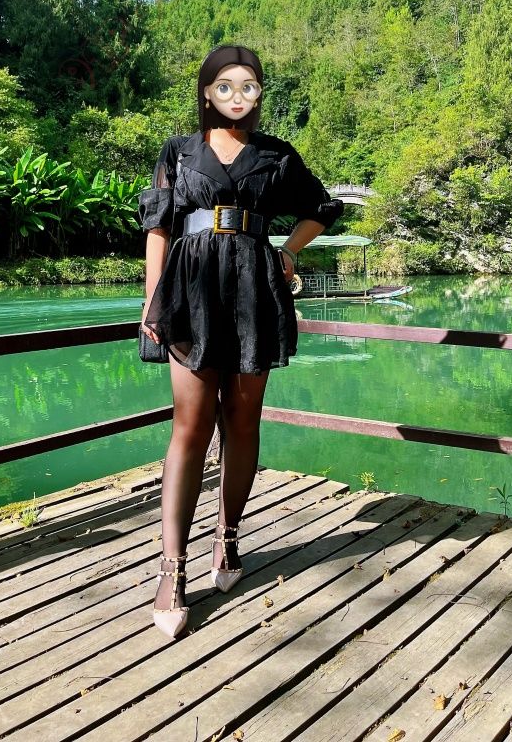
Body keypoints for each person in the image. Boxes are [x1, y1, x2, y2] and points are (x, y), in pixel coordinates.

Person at [138, 44, 343, 639]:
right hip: (191, 289)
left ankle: (227, 540)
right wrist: (152, 299)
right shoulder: (179, 151)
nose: (237, 95)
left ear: (258, 93)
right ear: (207, 91)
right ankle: (171, 569)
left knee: (244, 421)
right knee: (190, 426)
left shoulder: (277, 154)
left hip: (255, 288)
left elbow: (321, 208)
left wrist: (288, 250)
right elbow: (159, 228)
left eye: (248, 85)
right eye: (225, 85)